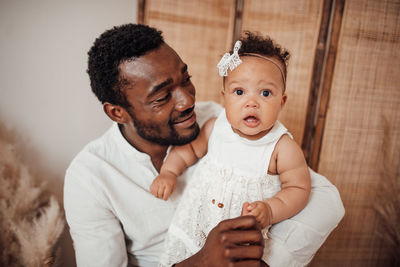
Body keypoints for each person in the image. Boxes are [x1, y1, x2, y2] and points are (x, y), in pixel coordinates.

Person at [64, 23, 345, 267]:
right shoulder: (89, 177)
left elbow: (325, 199)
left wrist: (265, 261)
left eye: (186, 79)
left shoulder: (223, 121)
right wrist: (199, 263)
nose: (187, 101)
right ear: (118, 113)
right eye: (162, 97)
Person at [151, 32, 311, 266]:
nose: (252, 102)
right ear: (224, 97)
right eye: (239, 92)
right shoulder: (216, 127)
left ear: (282, 102)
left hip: (240, 238)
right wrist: (169, 172)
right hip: (196, 222)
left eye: (265, 93)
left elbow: (298, 188)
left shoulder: (281, 147)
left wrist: (270, 209)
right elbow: (189, 151)